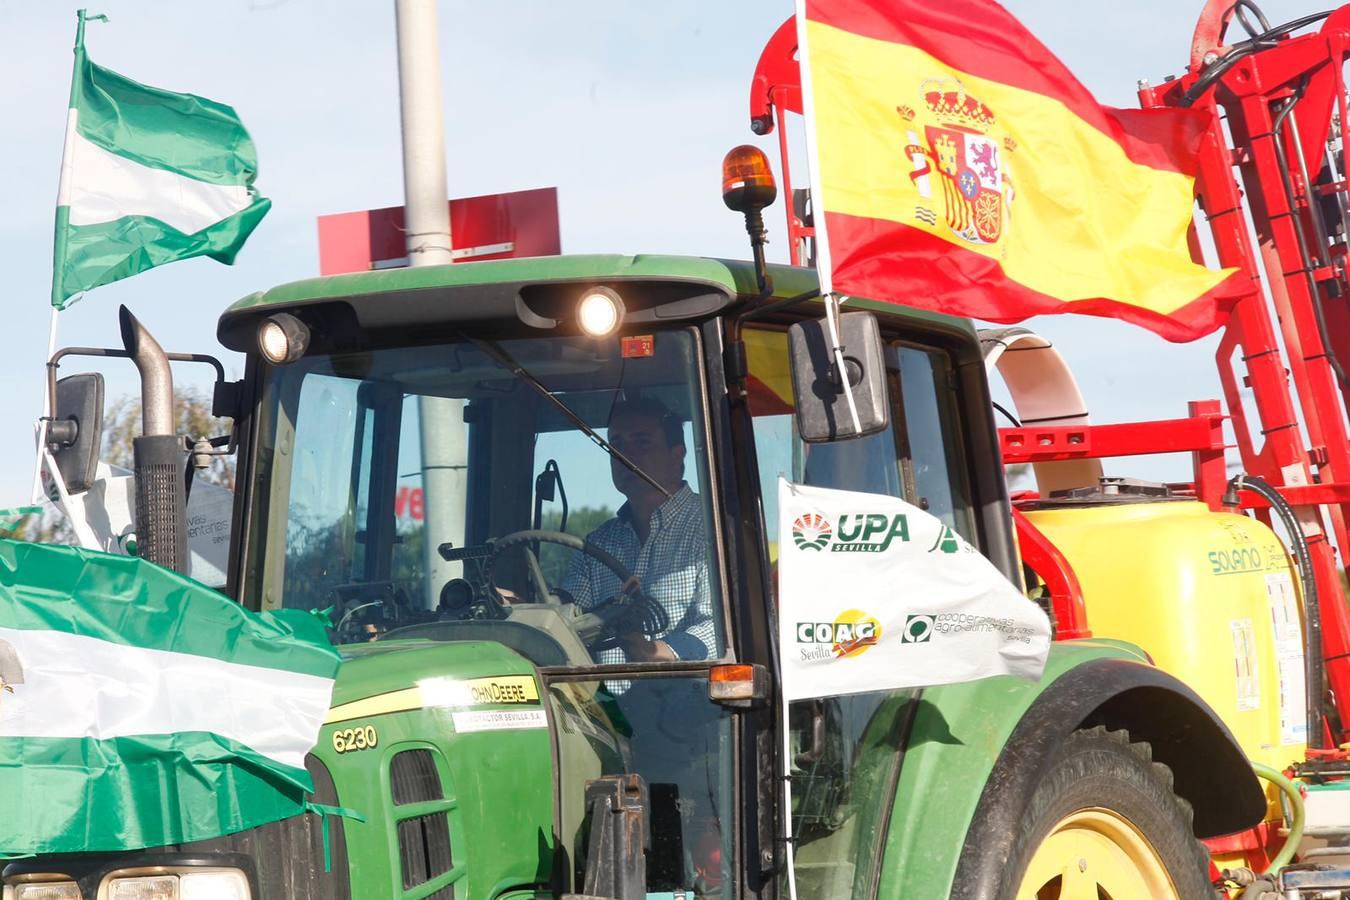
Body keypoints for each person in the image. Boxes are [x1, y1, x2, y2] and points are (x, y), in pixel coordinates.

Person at [563, 397, 717, 664]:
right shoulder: (598, 544)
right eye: (617, 445)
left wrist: (658, 651)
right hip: (602, 704)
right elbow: (567, 616)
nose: (624, 456)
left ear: (676, 454)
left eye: (642, 442)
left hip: (691, 699)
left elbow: (722, 628)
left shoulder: (712, 529)